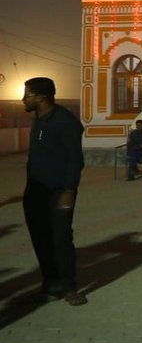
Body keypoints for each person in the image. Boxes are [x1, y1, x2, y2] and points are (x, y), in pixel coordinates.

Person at [22, 77, 87, 306]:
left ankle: (69, 287)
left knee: (60, 239)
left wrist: (69, 190)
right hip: (35, 192)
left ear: (41, 97)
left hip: (59, 192)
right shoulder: (38, 120)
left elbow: (75, 160)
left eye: (27, 95)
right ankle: (50, 284)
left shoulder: (65, 122)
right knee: (41, 238)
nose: (23, 100)